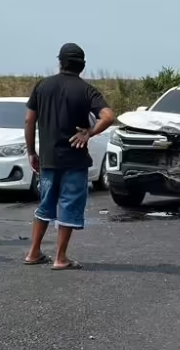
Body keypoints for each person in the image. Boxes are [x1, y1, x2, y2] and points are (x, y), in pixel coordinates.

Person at [22, 43, 115, 270]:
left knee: (46, 205)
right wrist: (90, 133)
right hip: (74, 160)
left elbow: (29, 120)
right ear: (82, 66)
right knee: (69, 205)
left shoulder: (42, 86)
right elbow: (108, 116)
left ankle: (33, 252)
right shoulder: (86, 90)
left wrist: (32, 152)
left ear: (60, 62)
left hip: (48, 158)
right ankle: (60, 257)